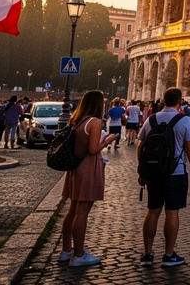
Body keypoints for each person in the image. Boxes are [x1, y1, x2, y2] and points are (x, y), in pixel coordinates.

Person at [138, 87, 190, 268]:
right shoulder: (185, 120)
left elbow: (141, 146)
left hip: (153, 172)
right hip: (176, 172)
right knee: (172, 212)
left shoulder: (152, 119)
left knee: (153, 211)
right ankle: (168, 254)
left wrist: (142, 170)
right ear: (180, 100)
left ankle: (148, 254)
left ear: (163, 100)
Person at [58, 90, 119, 267]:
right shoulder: (95, 122)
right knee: (81, 212)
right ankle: (78, 254)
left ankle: (66, 250)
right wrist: (109, 140)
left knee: (73, 211)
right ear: (98, 104)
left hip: (76, 168)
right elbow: (93, 149)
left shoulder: (78, 120)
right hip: (88, 166)